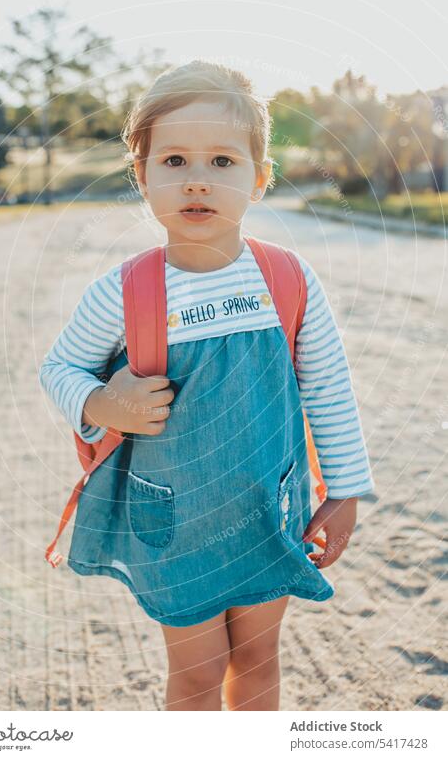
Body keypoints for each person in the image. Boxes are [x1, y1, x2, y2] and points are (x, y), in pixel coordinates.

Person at [38, 60, 375, 711]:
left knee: (256, 660)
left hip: (266, 511)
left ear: (259, 178)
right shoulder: (126, 289)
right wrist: (105, 402)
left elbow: (329, 387)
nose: (197, 179)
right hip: (172, 518)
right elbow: (59, 368)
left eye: (222, 161)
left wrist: (346, 490)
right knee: (196, 672)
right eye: (173, 161)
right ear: (142, 175)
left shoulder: (286, 279)